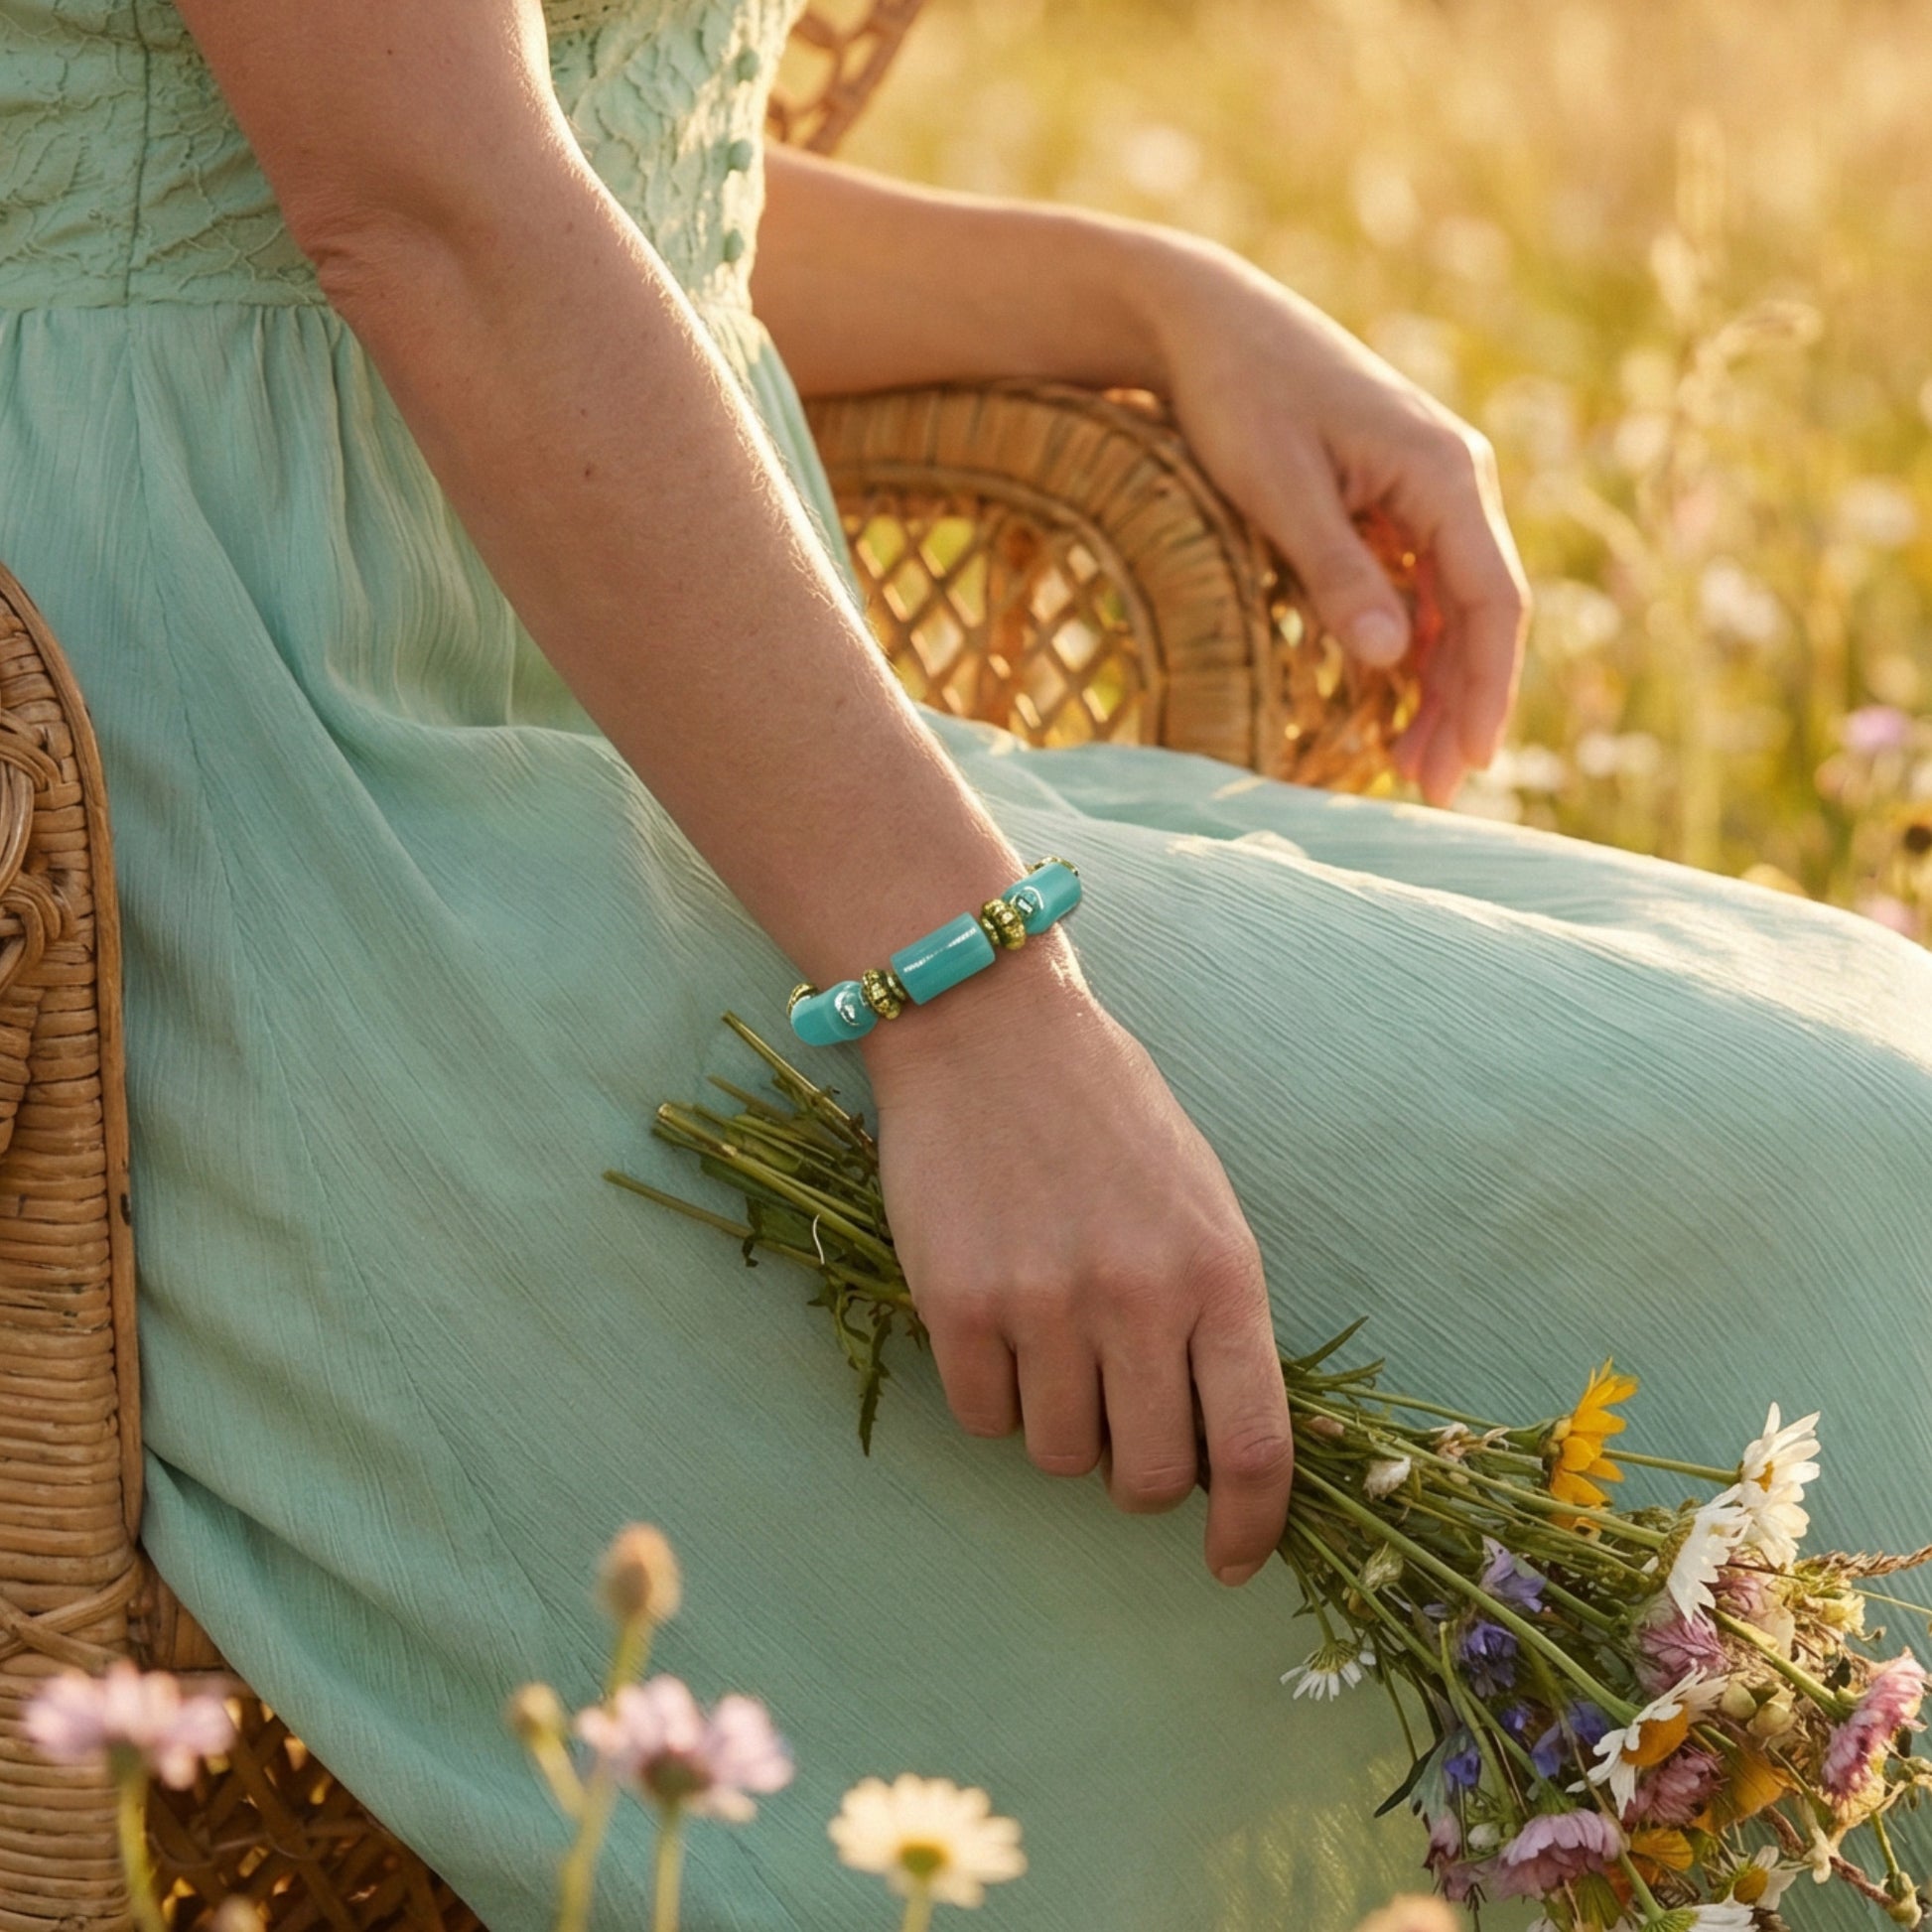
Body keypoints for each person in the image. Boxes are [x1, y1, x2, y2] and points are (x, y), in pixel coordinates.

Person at [1, 0, 1926, 1925]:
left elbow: (544, 160)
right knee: (1849, 1194)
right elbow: (423, 209)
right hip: (268, 832)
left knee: (1860, 1083)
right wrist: (965, 993)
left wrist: (1148, 294)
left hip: (682, 757)